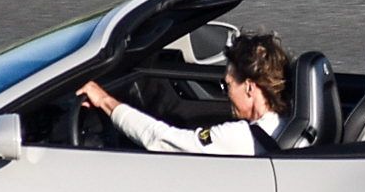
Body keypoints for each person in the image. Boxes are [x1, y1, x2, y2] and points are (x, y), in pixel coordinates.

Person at [75, 31, 289, 155]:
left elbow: (161, 139)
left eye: (229, 85)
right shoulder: (287, 123)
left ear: (250, 87)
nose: (227, 94)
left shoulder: (240, 138)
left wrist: (105, 101)